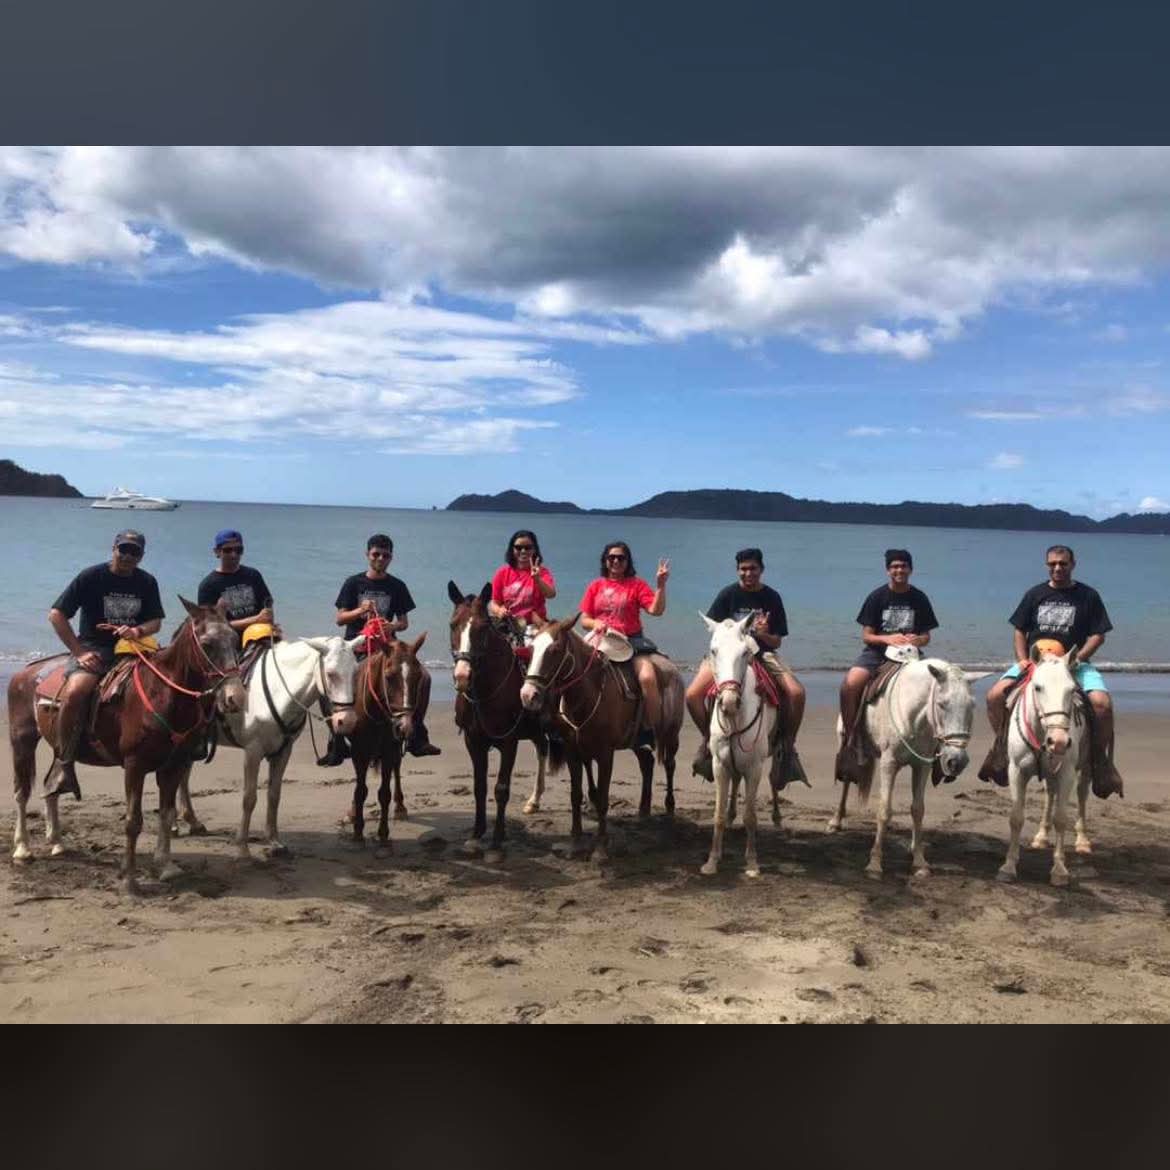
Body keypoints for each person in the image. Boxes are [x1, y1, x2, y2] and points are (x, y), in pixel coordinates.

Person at [978, 545, 1123, 798]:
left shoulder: (1088, 596)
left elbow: (1098, 635)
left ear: (1073, 564)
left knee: (1102, 704)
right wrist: (1023, 660)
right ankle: (1001, 747)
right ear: (1047, 565)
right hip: (1036, 662)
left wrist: (1077, 659)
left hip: (1073, 663)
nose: (1057, 568)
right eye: (1052, 564)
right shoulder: (1035, 594)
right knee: (994, 696)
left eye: (1063, 564)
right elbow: (1019, 631)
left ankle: (1099, 761)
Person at [43, 529, 165, 799]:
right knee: (76, 692)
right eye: (124, 549)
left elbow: (156, 621)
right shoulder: (91, 576)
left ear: (142, 556)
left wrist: (137, 631)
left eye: (134, 552)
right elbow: (56, 615)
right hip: (95, 649)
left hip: (134, 648)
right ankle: (64, 762)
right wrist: (79, 651)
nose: (128, 556)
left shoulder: (147, 582)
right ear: (113, 548)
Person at [686, 547, 807, 787]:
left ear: (761, 570)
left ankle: (786, 747)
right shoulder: (727, 595)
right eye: (743, 569)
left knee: (796, 693)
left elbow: (777, 640)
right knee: (692, 695)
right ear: (737, 570)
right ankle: (708, 741)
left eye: (752, 568)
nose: (748, 573)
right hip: (728, 658)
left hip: (762, 653)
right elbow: (716, 633)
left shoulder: (772, 598)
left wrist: (764, 634)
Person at [330, 533, 439, 757]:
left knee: (424, 677)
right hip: (357, 645)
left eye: (385, 555)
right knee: (333, 679)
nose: (380, 559)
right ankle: (337, 741)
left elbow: (404, 622)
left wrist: (393, 627)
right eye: (376, 554)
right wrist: (361, 610)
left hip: (388, 648)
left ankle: (417, 734)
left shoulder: (397, 585)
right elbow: (340, 618)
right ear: (367, 555)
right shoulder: (353, 583)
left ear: (391, 558)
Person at [836, 549, 938, 783]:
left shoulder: (919, 598)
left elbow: (926, 637)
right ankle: (852, 739)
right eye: (894, 567)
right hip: (877, 653)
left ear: (911, 569)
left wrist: (917, 640)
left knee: (937, 688)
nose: (899, 570)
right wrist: (887, 639)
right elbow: (867, 636)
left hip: (910, 654)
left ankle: (936, 748)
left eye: (903, 566)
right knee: (850, 684)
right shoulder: (877, 597)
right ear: (887, 570)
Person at [579, 541, 669, 746]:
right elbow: (584, 620)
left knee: (647, 677)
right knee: (571, 670)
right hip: (600, 639)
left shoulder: (636, 585)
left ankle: (650, 730)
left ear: (628, 562)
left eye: (621, 558)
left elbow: (656, 610)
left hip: (631, 641)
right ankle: (562, 723)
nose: (616, 561)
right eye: (612, 557)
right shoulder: (596, 586)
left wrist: (661, 586)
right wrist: (596, 622)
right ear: (605, 561)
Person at [196, 529, 274, 642]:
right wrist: (255, 620)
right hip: (228, 645)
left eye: (238, 550)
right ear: (217, 552)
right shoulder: (208, 585)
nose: (234, 554)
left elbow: (267, 607)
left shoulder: (253, 575)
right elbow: (210, 627)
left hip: (259, 638)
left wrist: (270, 622)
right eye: (228, 550)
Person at [488, 529, 556, 637]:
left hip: (534, 625)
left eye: (528, 547)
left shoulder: (542, 572)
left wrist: (537, 579)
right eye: (518, 548)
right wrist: (499, 611)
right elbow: (494, 603)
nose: (523, 551)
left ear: (534, 550)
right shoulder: (502, 573)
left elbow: (551, 594)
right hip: (507, 624)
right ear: (512, 549)